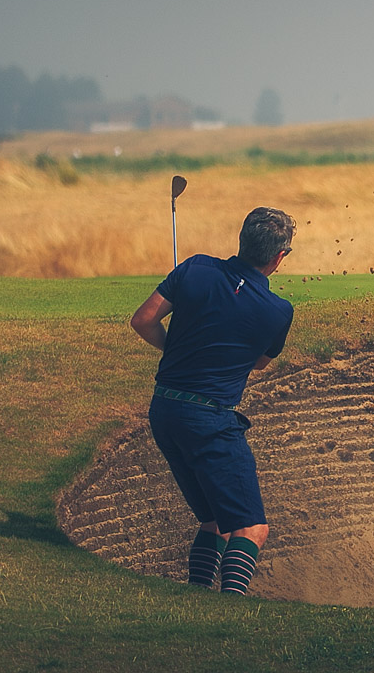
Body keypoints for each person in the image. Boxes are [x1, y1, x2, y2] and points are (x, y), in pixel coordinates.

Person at [130, 206, 296, 596]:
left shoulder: (195, 268)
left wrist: (178, 351)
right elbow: (258, 364)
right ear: (278, 257)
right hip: (210, 422)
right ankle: (229, 604)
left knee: (216, 521)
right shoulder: (277, 311)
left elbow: (143, 321)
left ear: (241, 240)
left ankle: (198, 597)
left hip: (165, 410)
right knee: (252, 528)